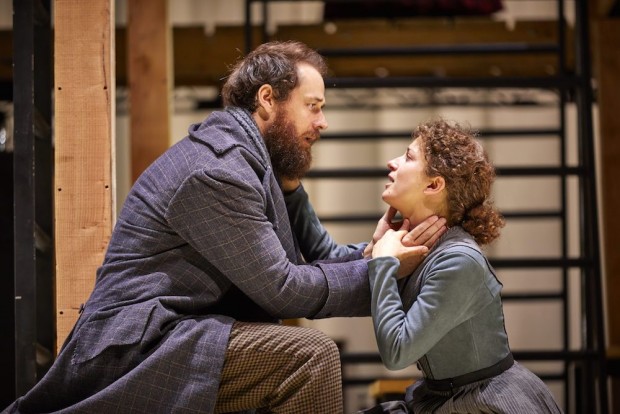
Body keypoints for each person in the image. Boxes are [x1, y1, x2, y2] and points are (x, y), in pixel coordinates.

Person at [3, 41, 445, 414]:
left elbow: (315, 258)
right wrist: (384, 270)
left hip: (182, 331)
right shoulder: (219, 170)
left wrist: (379, 252)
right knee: (308, 358)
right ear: (268, 99)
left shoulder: (254, 162)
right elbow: (285, 288)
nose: (322, 123)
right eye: (313, 107)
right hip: (138, 348)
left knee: (300, 352)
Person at [358, 119, 562, 413]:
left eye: (408, 157)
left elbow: (397, 352)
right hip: (441, 395)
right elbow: (326, 257)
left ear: (433, 184)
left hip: (484, 402)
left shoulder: (458, 260)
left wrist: (383, 263)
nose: (392, 163)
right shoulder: (421, 245)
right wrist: (377, 252)